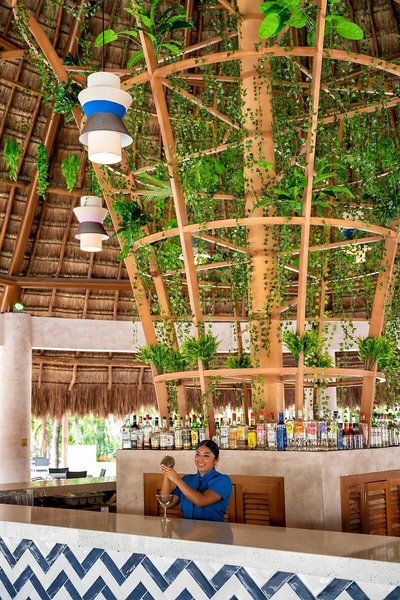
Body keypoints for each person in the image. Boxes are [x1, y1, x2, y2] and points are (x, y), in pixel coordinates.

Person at [159, 439, 232, 522]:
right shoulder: (186, 479)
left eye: (206, 456)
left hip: (212, 529)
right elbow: (167, 503)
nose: (200, 459)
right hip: (186, 529)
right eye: (197, 454)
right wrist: (167, 473)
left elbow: (201, 501)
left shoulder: (223, 481)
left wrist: (177, 480)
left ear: (216, 460)